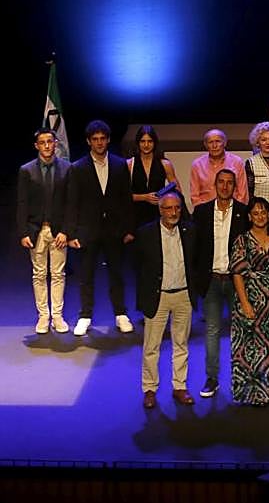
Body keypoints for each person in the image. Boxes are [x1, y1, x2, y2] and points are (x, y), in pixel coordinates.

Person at [65, 119, 136, 336]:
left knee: (117, 274)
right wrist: (71, 233)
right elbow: (72, 202)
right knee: (86, 275)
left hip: (115, 230)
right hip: (88, 231)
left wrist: (129, 229)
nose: (99, 143)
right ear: (88, 141)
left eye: (102, 139)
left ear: (108, 140)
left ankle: (120, 314)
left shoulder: (119, 164)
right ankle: (85, 315)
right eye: (94, 139)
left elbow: (126, 200)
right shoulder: (77, 168)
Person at [136, 191, 198, 410]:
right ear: (160, 210)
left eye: (177, 208)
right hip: (158, 295)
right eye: (169, 208)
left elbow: (195, 263)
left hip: (183, 295)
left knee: (181, 343)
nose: (174, 212)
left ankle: (179, 386)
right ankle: (149, 389)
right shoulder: (145, 234)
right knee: (151, 346)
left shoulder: (190, 231)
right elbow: (138, 268)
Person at [192, 168, 250, 399]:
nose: (225, 187)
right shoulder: (201, 212)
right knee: (212, 331)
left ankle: (243, 378)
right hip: (212, 280)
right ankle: (212, 378)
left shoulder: (244, 213)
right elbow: (195, 248)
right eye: (221, 182)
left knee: (243, 331)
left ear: (235, 187)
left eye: (229, 183)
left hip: (238, 282)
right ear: (215, 185)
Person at [229, 197, 269, 405]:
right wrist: (245, 303)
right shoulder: (242, 240)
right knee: (249, 347)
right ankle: (251, 394)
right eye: (256, 213)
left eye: (264, 212)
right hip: (249, 298)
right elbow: (236, 272)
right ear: (249, 216)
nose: (260, 216)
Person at [17, 128, 71, 334]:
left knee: (58, 274)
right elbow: (22, 203)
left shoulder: (67, 169)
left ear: (56, 143)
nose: (47, 146)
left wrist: (66, 231)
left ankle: (57, 316)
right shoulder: (27, 170)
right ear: (37, 146)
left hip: (58, 231)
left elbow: (70, 203)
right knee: (39, 274)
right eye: (43, 142)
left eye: (50, 141)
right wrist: (23, 232)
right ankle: (43, 316)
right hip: (36, 230)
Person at [127, 125, 182, 228]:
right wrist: (144, 197)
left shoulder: (165, 164)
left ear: (154, 143)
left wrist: (163, 196)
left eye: (150, 141)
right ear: (138, 143)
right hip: (136, 215)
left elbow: (177, 189)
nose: (146, 145)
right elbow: (122, 195)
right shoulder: (130, 164)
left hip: (159, 213)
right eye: (143, 141)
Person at [188, 128, 248, 207]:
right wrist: (203, 212)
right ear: (206, 145)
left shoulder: (237, 162)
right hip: (206, 212)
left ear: (225, 143)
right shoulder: (197, 165)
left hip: (233, 210)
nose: (214, 146)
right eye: (210, 142)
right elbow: (195, 196)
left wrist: (237, 211)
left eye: (218, 141)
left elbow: (242, 193)